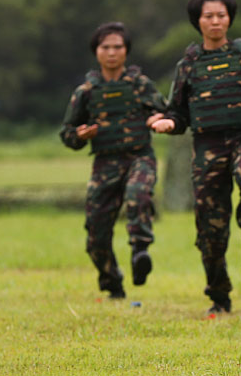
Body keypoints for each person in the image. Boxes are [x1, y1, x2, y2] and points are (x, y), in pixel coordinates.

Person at [151, 0, 241, 315]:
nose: (215, 21)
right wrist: (167, 124)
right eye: (209, 16)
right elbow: (176, 112)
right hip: (206, 146)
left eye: (221, 15)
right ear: (198, 21)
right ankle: (219, 295)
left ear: (229, 19)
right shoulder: (188, 66)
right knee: (210, 229)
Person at [60, 22, 166, 299]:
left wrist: (158, 119)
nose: (112, 53)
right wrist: (81, 135)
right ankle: (112, 284)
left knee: (137, 193)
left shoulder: (141, 85)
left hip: (139, 157)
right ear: (96, 51)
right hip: (105, 163)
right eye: (105, 47)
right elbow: (67, 133)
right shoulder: (86, 92)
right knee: (96, 233)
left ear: (126, 51)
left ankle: (140, 250)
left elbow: (166, 112)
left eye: (117, 47)